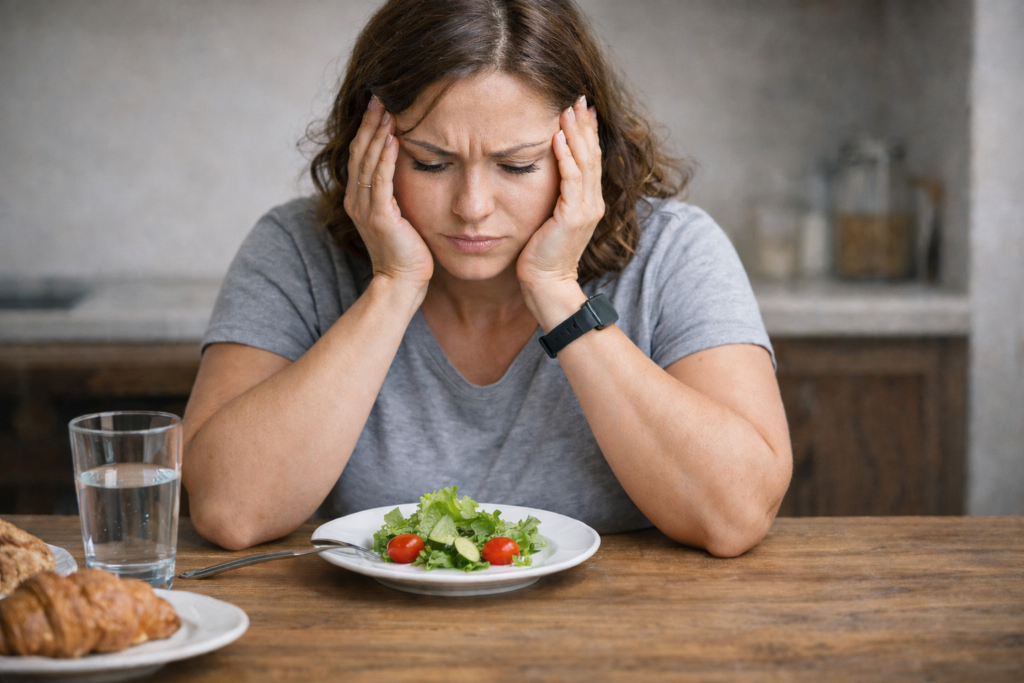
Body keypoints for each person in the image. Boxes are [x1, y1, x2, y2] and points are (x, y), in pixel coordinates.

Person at [181, 0, 792, 557]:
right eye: (430, 162)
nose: (472, 205)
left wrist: (557, 290)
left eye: (518, 165)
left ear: (584, 150)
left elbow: (732, 516)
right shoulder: (295, 250)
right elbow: (230, 510)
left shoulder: (675, 251)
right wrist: (393, 286)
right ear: (370, 148)